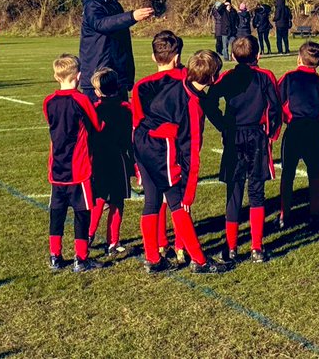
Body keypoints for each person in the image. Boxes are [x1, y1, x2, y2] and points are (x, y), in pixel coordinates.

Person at [133, 50, 229, 274]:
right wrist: (189, 192)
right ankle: (200, 261)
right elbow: (191, 152)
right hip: (160, 148)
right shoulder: (193, 105)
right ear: (213, 79)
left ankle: (153, 259)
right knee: (178, 203)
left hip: (141, 141)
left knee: (152, 201)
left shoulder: (177, 83)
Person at [209, 36, 282, 264]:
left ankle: (231, 248)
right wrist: (270, 133)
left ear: (232, 56)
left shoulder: (227, 77)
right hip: (256, 137)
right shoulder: (265, 76)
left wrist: (222, 124)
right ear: (258, 55)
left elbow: (210, 101)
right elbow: (275, 107)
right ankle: (256, 248)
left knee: (234, 190)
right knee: (256, 191)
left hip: (234, 137)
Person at [132, 30, 188, 261]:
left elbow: (136, 124)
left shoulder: (140, 86)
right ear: (177, 57)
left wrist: (137, 163)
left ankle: (156, 250)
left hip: (146, 149)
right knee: (179, 198)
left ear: (154, 58)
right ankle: (182, 247)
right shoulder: (185, 82)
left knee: (152, 199)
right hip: (176, 147)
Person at [43, 54, 101, 273]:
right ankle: (81, 258)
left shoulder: (48, 101)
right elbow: (96, 125)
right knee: (82, 213)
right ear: (79, 76)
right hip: (79, 168)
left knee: (56, 213)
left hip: (57, 168)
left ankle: (55, 256)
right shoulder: (81, 100)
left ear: (56, 77)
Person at [278, 42, 319, 228]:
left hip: (294, 130)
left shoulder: (288, 78)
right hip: (313, 131)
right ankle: (315, 213)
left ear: (299, 58)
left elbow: (275, 102)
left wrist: (282, 122)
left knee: (288, 174)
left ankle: (284, 215)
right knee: (314, 173)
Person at [78, 0, 155, 96]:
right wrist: (132, 16)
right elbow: (100, 24)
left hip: (117, 78)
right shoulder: (92, 5)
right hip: (97, 79)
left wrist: (127, 76)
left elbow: (123, 44)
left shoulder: (115, 5)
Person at [87, 67, 134, 257]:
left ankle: (87, 235)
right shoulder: (126, 108)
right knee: (117, 202)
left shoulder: (94, 109)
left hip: (98, 160)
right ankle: (112, 241)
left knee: (98, 199)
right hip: (120, 160)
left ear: (98, 91)